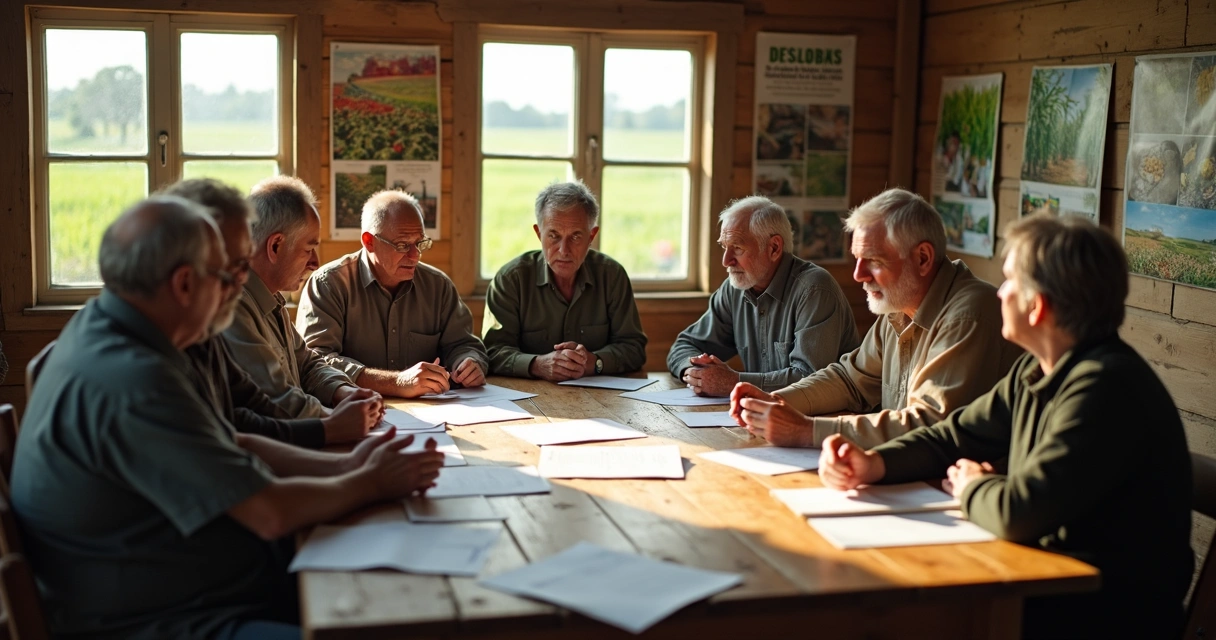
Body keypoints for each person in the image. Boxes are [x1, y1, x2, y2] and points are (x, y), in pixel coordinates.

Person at [10, 196, 444, 640]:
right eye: (231, 274)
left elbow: (233, 439)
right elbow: (268, 512)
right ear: (183, 284)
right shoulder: (135, 379)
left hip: (199, 577)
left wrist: (350, 464)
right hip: (164, 616)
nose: (239, 287)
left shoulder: (124, 328)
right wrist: (369, 482)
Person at [816, 214, 1193, 639]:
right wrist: (873, 464)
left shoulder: (1105, 388)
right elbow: (954, 435)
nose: (1000, 294)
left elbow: (1020, 510)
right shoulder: (1036, 368)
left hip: (1099, 614)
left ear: (1038, 306)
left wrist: (972, 484)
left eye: (1010, 281)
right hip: (1039, 583)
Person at [732, 188, 1021, 448]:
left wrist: (807, 430)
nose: (859, 275)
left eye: (873, 260)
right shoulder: (899, 304)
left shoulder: (968, 314)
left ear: (922, 258)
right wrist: (777, 400)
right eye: (857, 258)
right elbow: (850, 379)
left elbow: (930, 423)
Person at [161, 178, 380, 447]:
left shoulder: (264, 299)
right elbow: (269, 406)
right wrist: (333, 425)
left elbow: (247, 416)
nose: (243, 277)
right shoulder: (227, 309)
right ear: (184, 280)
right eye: (237, 262)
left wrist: (339, 396)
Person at [297, 190, 489, 397]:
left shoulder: (437, 286)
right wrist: (396, 383)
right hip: (355, 409)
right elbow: (316, 361)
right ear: (369, 241)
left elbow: (463, 344)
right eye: (402, 245)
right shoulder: (329, 284)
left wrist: (468, 362)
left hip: (434, 412)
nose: (415, 256)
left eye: (420, 243)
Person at [667, 196, 860, 397]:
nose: (726, 261)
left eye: (738, 248)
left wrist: (734, 383)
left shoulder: (815, 289)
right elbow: (684, 346)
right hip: (763, 415)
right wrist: (693, 371)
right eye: (724, 247)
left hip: (829, 419)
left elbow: (811, 381)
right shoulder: (734, 289)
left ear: (774, 248)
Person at [225, 176, 380, 420]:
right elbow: (274, 398)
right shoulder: (234, 307)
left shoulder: (271, 298)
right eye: (308, 249)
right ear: (275, 246)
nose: (315, 263)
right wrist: (333, 420)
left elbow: (306, 363)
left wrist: (343, 391)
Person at [483, 181, 647, 381]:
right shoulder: (510, 280)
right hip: (529, 399)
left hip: (602, 401)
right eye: (554, 236)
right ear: (538, 233)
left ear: (591, 236)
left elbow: (634, 348)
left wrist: (595, 362)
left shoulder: (612, 276)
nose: (563, 250)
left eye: (576, 237)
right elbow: (492, 352)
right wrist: (537, 364)